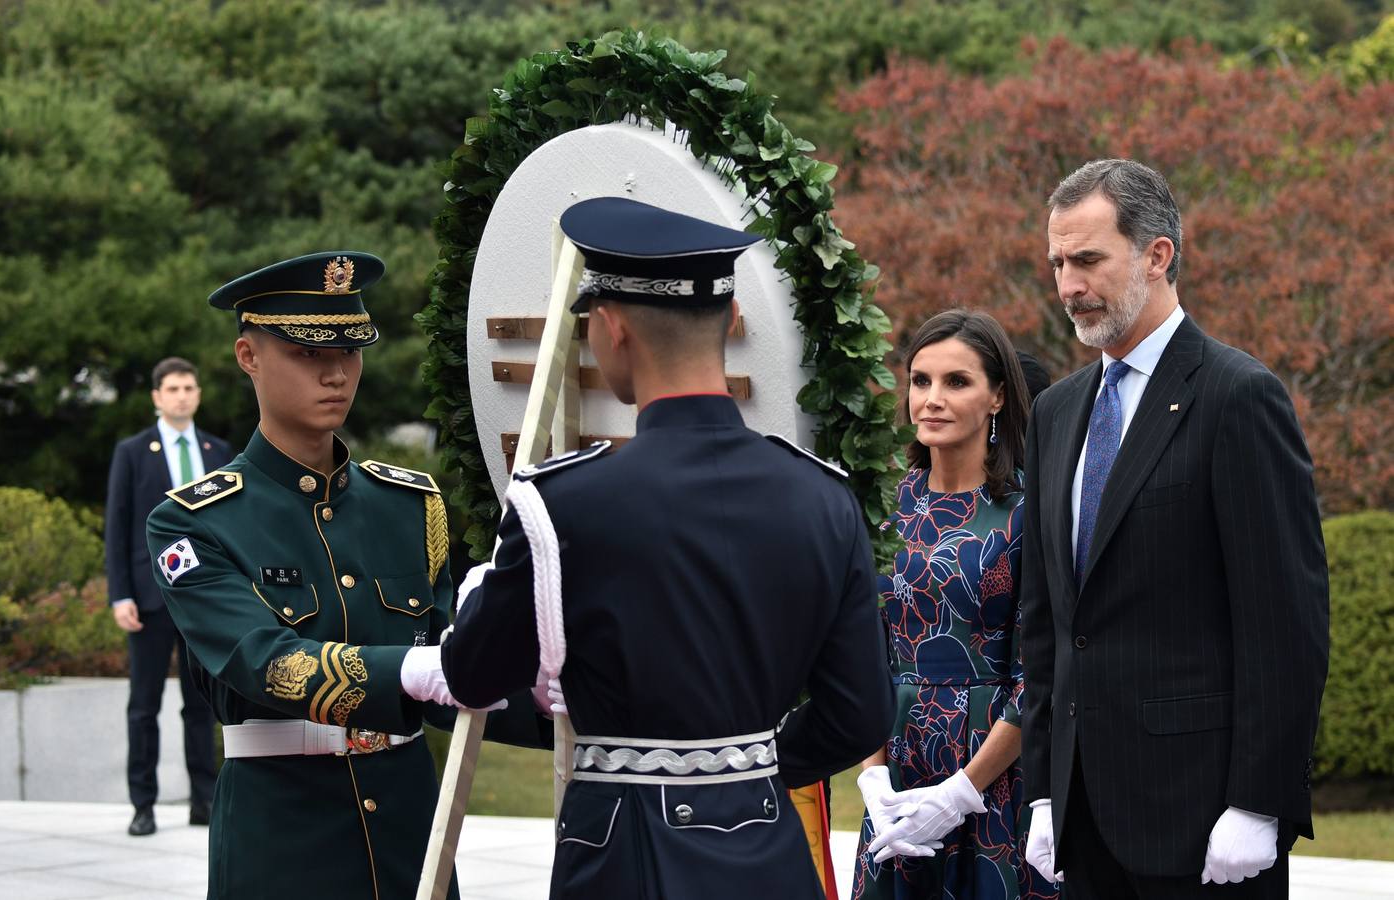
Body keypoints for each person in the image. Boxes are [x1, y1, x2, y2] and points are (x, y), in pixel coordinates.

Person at [439, 197, 895, 899]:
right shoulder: (823, 499)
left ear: (610, 327)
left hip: (623, 860)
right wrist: (746, 768)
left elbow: (472, 679)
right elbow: (858, 714)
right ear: (732, 321)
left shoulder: (561, 503)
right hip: (766, 850)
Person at [145, 252, 545, 899]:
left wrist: (559, 706)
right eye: (307, 354)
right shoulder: (194, 523)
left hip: (410, 837)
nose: (336, 373)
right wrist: (416, 671)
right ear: (248, 356)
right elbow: (267, 662)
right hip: (284, 841)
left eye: (351, 350)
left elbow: (457, 682)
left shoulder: (409, 506)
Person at [1019, 159, 1329, 898]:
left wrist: (1258, 801)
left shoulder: (1237, 397)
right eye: (1058, 262)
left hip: (1206, 824)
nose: (1067, 285)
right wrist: (1040, 788)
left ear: (1156, 255)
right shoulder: (1055, 413)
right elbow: (1045, 621)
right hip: (1081, 819)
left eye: (1088, 259)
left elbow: (1285, 622)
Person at [851, 310, 1057, 900]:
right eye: (920, 381)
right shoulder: (887, 503)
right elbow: (869, 653)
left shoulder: (1027, 511)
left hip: (994, 772)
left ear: (997, 397)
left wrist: (961, 793)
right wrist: (873, 777)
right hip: (896, 771)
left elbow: (1038, 675)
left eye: (956, 382)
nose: (932, 399)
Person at [105, 356, 230, 836]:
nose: (181, 395)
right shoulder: (134, 452)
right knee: (144, 705)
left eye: (189, 387)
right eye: (172, 388)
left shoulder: (217, 452)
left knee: (201, 704)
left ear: (198, 394)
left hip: (202, 599)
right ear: (157, 396)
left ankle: (204, 800)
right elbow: (117, 528)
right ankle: (143, 805)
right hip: (149, 599)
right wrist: (120, 595)